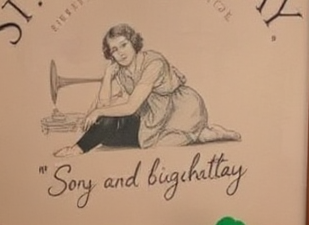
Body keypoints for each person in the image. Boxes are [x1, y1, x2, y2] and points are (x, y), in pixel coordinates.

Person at [54, 23, 241, 156]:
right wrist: (107, 80)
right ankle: (203, 134)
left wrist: (98, 111)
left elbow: (131, 106)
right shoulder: (119, 70)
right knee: (106, 135)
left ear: (133, 42)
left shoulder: (154, 62)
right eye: (114, 50)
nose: (120, 53)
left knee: (167, 142)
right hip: (151, 115)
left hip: (179, 111)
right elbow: (103, 107)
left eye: (123, 45)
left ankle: (208, 133)